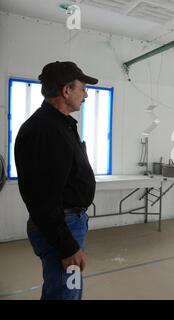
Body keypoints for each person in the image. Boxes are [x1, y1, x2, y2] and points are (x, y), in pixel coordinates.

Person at [14, 61, 98, 300]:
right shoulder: (45, 130)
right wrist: (67, 245)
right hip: (63, 225)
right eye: (82, 89)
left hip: (69, 222)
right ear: (66, 91)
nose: (86, 95)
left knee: (64, 291)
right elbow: (42, 198)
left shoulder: (59, 124)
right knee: (65, 294)